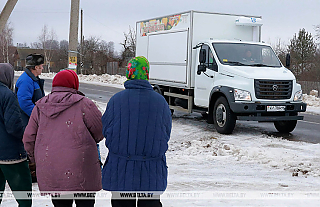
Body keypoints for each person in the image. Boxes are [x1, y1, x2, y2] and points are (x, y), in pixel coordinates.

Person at [23, 70, 104, 207]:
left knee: (60, 204)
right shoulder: (84, 104)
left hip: (51, 167)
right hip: (82, 166)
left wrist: (34, 158)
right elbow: (100, 130)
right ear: (74, 84)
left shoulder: (40, 106)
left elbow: (28, 138)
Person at [101, 56, 172, 207]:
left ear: (129, 73)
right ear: (146, 73)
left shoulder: (116, 100)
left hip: (121, 168)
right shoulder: (160, 102)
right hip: (151, 170)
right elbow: (166, 132)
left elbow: (106, 129)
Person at [0, 63, 32, 207]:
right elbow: (13, 127)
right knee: (24, 195)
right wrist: (26, 137)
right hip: (11, 155)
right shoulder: (7, 95)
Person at [15, 53, 45, 128]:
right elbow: (25, 103)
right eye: (41, 66)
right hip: (26, 121)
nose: (42, 68)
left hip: (31, 120)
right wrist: (39, 116)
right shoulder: (25, 81)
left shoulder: (32, 79)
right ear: (36, 67)